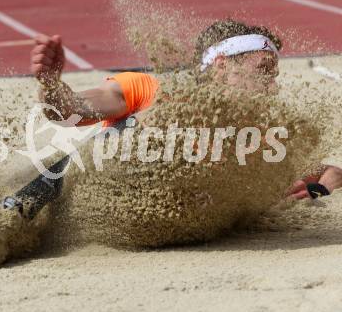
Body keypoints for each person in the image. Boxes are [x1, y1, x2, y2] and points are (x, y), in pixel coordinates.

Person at [31, 20, 342, 199]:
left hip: (171, 222)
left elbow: (333, 172)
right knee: (141, 127)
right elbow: (66, 111)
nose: (272, 87)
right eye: (263, 70)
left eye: (274, 76)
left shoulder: (256, 133)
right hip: (89, 194)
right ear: (221, 66)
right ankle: (17, 207)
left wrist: (315, 190)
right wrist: (50, 84)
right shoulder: (152, 90)